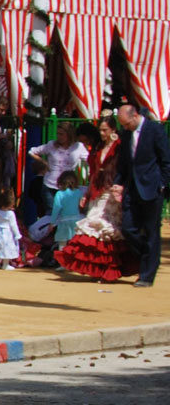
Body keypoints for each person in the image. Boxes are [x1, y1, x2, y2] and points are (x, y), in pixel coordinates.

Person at [56, 121, 133, 282]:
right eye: (101, 130)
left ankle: (109, 268)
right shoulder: (98, 148)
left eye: (105, 130)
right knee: (95, 227)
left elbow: (125, 168)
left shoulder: (120, 146)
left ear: (112, 129)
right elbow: (94, 173)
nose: (103, 133)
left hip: (112, 192)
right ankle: (99, 269)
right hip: (98, 191)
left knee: (106, 228)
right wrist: (88, 194)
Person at [114, 99, 168, 288]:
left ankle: (147, 275)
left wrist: (162, 184)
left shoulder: (155, 130)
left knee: (152, 230)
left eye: (126, 123)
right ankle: (147, 255)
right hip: (132, 187)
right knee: (129, 228)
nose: (125, 128)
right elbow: (124, 163)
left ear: (135, 115)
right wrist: (118, 184)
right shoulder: (127, 135)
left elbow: (165, 159)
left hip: (152, 187)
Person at [25, 124, 87, 235]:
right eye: (58, 134)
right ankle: (50, 238)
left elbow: (88, 159)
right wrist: (44, 162)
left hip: (67, 186)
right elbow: (32, 151)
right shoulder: (52, 145)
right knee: (51, 213)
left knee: (67, 214)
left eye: (61, 134)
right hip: (50, 184)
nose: (59, 137)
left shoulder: (78, 147)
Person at [0, 187, 22, 270]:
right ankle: (5, 264)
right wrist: (17, 235)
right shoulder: (10, 214)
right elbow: (13, 225)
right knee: (7, 248)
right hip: (7, 233)